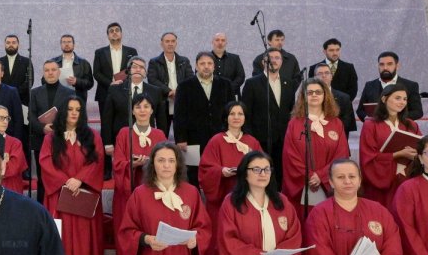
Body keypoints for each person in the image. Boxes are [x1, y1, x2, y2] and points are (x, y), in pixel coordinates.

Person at [40, 96, 104, 255]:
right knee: (61, 241)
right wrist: (65, 181)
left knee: (86, 241)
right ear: (63, 112)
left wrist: (80, 179)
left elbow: (98, 160)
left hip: (84, 195)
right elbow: (45, 161)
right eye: (70, 109)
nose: (74, 113)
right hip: (59, 196)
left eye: (78, 109)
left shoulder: (92, 135)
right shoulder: (51, 137)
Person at [199, 101, 263, 255]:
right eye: (232, 113)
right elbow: (205, 170)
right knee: (220, 244)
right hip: (220, 203)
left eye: (240, 113)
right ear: (226, 117)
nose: (236, 117)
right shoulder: (216, 141)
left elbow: (262, 167)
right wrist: (221, 172)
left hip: (247, 203)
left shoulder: (252, 142)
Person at [111, 93, 167, 255]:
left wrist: (151, 164)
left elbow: (168, 162)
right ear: (132, 111)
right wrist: (131, 164)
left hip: (154, 196)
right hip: (127, 196)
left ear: (152, 110)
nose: (142, 110)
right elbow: (117, 163)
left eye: (146, 106)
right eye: (138, 106)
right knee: (129, 240)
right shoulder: (124, 133)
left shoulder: (159, 135)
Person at [281, 78, 350, 210]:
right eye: (310, 92)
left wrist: (322, 175)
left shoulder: (336, 123)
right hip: (302, 187)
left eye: (318, 92)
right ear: (303, 97)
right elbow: (290, 156)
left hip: (329, 185)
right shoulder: (294, 123)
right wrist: (309, 176)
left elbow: (341, 154)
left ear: (325, 95)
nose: (314, 95)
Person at [241, 48, 296, 193]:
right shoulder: (252, 83)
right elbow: (245, 113)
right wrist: (249, 137)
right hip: (260, 138)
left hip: (283, 138)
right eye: (270, 57)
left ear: (282, 62)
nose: (274, 60)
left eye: (277, 58)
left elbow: (291, 111)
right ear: (263, 62)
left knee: (279, 173)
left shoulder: (288, 83)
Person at [175, 52, 234, 184]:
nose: (206, 66)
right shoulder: (185, 86)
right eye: (202, 63)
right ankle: (195, 201)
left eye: (209, 63)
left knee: (219, 169)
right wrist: (181, 138)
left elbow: (231, 111)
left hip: (220, 136)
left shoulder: (226, 84)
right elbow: (179, 114)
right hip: (192, 138)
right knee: (193, 172)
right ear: (196, 66)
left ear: (214, 66)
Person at [359, 83, 421, 208]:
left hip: (406, 177)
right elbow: (368, 157)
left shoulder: (411, 124)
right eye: (397, 98)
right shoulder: (371, 125)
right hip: (381, 179)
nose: (402, 102)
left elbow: (421, 147)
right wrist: (397, 154)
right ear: (384, 99)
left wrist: (417, 152)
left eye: (405, 99)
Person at [29, 60, 76, 204]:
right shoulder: (35, 92)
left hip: (62, 140)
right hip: (40, 140)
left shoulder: (69, 92)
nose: (50, 73)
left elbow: (72, 115)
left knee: (62, 175)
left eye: (53, 70)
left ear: (59, 72)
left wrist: (57, 128)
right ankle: (41, 209)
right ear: (43, 73)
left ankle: (61, 207)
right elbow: (30, 116)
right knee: (43, 177)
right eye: (47, 70)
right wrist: (43, 128)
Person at [101, 56, 169, 148]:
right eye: (134, 67)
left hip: (148, 139)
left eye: (141, 67)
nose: (138, 69)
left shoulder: (156, 91)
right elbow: (107, 119)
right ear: (128, 71)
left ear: (145, 73)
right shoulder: (115, 90)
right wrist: (107, 143)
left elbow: (162, 120)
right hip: (121, 140)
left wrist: (162, 142)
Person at [358, 51, 424, 121]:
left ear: (397, 66)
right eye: (381, 64)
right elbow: (360, 111)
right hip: (376, 129)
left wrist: (394, 118)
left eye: (389, 64)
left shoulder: (411, 85)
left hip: (401, 129)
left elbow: (417, 112)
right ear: (378, 66)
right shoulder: (369, 85)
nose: (385, 68)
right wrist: (368, 120)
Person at [91, 21, 138, 108]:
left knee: (125, 121)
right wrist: (110, 83)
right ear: (108, 36)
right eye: (111, 31)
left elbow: (135, 70)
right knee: (106, 121)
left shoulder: (132, 51)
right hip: (105, 92)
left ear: (121, 34)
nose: (114, 32)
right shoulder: (100, 52)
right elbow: (96, 73)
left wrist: (123, 83)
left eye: (117, 30)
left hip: (126, 92)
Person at [0, 105, 29, 195]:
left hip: (10, 188)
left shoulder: (15, 143)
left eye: (7, 118)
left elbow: (15, 167)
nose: (5, 121)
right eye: (1, 118)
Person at [307, 38, 358, 105]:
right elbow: (312, 88)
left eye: (337, 50)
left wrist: (343, 102)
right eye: (331, 50)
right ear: (325, 51)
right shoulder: (314, 68)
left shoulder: (349, 68)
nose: (335, 53)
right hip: (321, 107)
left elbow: (353, 90)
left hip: (344, 108)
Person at [49, 34, 93, 101]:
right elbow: (44, 81)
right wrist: (53, 79)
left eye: (69, 42)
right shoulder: (53, 62)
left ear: (74, 45)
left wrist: (77, 81)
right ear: (61, 45)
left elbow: (90, 83)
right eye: (64, 42)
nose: (66, 44)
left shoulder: (84, 63)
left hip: (77, 98)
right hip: (57, 98)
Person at [0, 33, 33, 103]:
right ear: (4, 45)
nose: (11, 45)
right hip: (1, 100)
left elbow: (29, 81)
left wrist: (14, 93)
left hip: (22, 100)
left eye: (13, 42)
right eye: (8, 43)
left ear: (18, 45)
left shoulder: (26, 61)